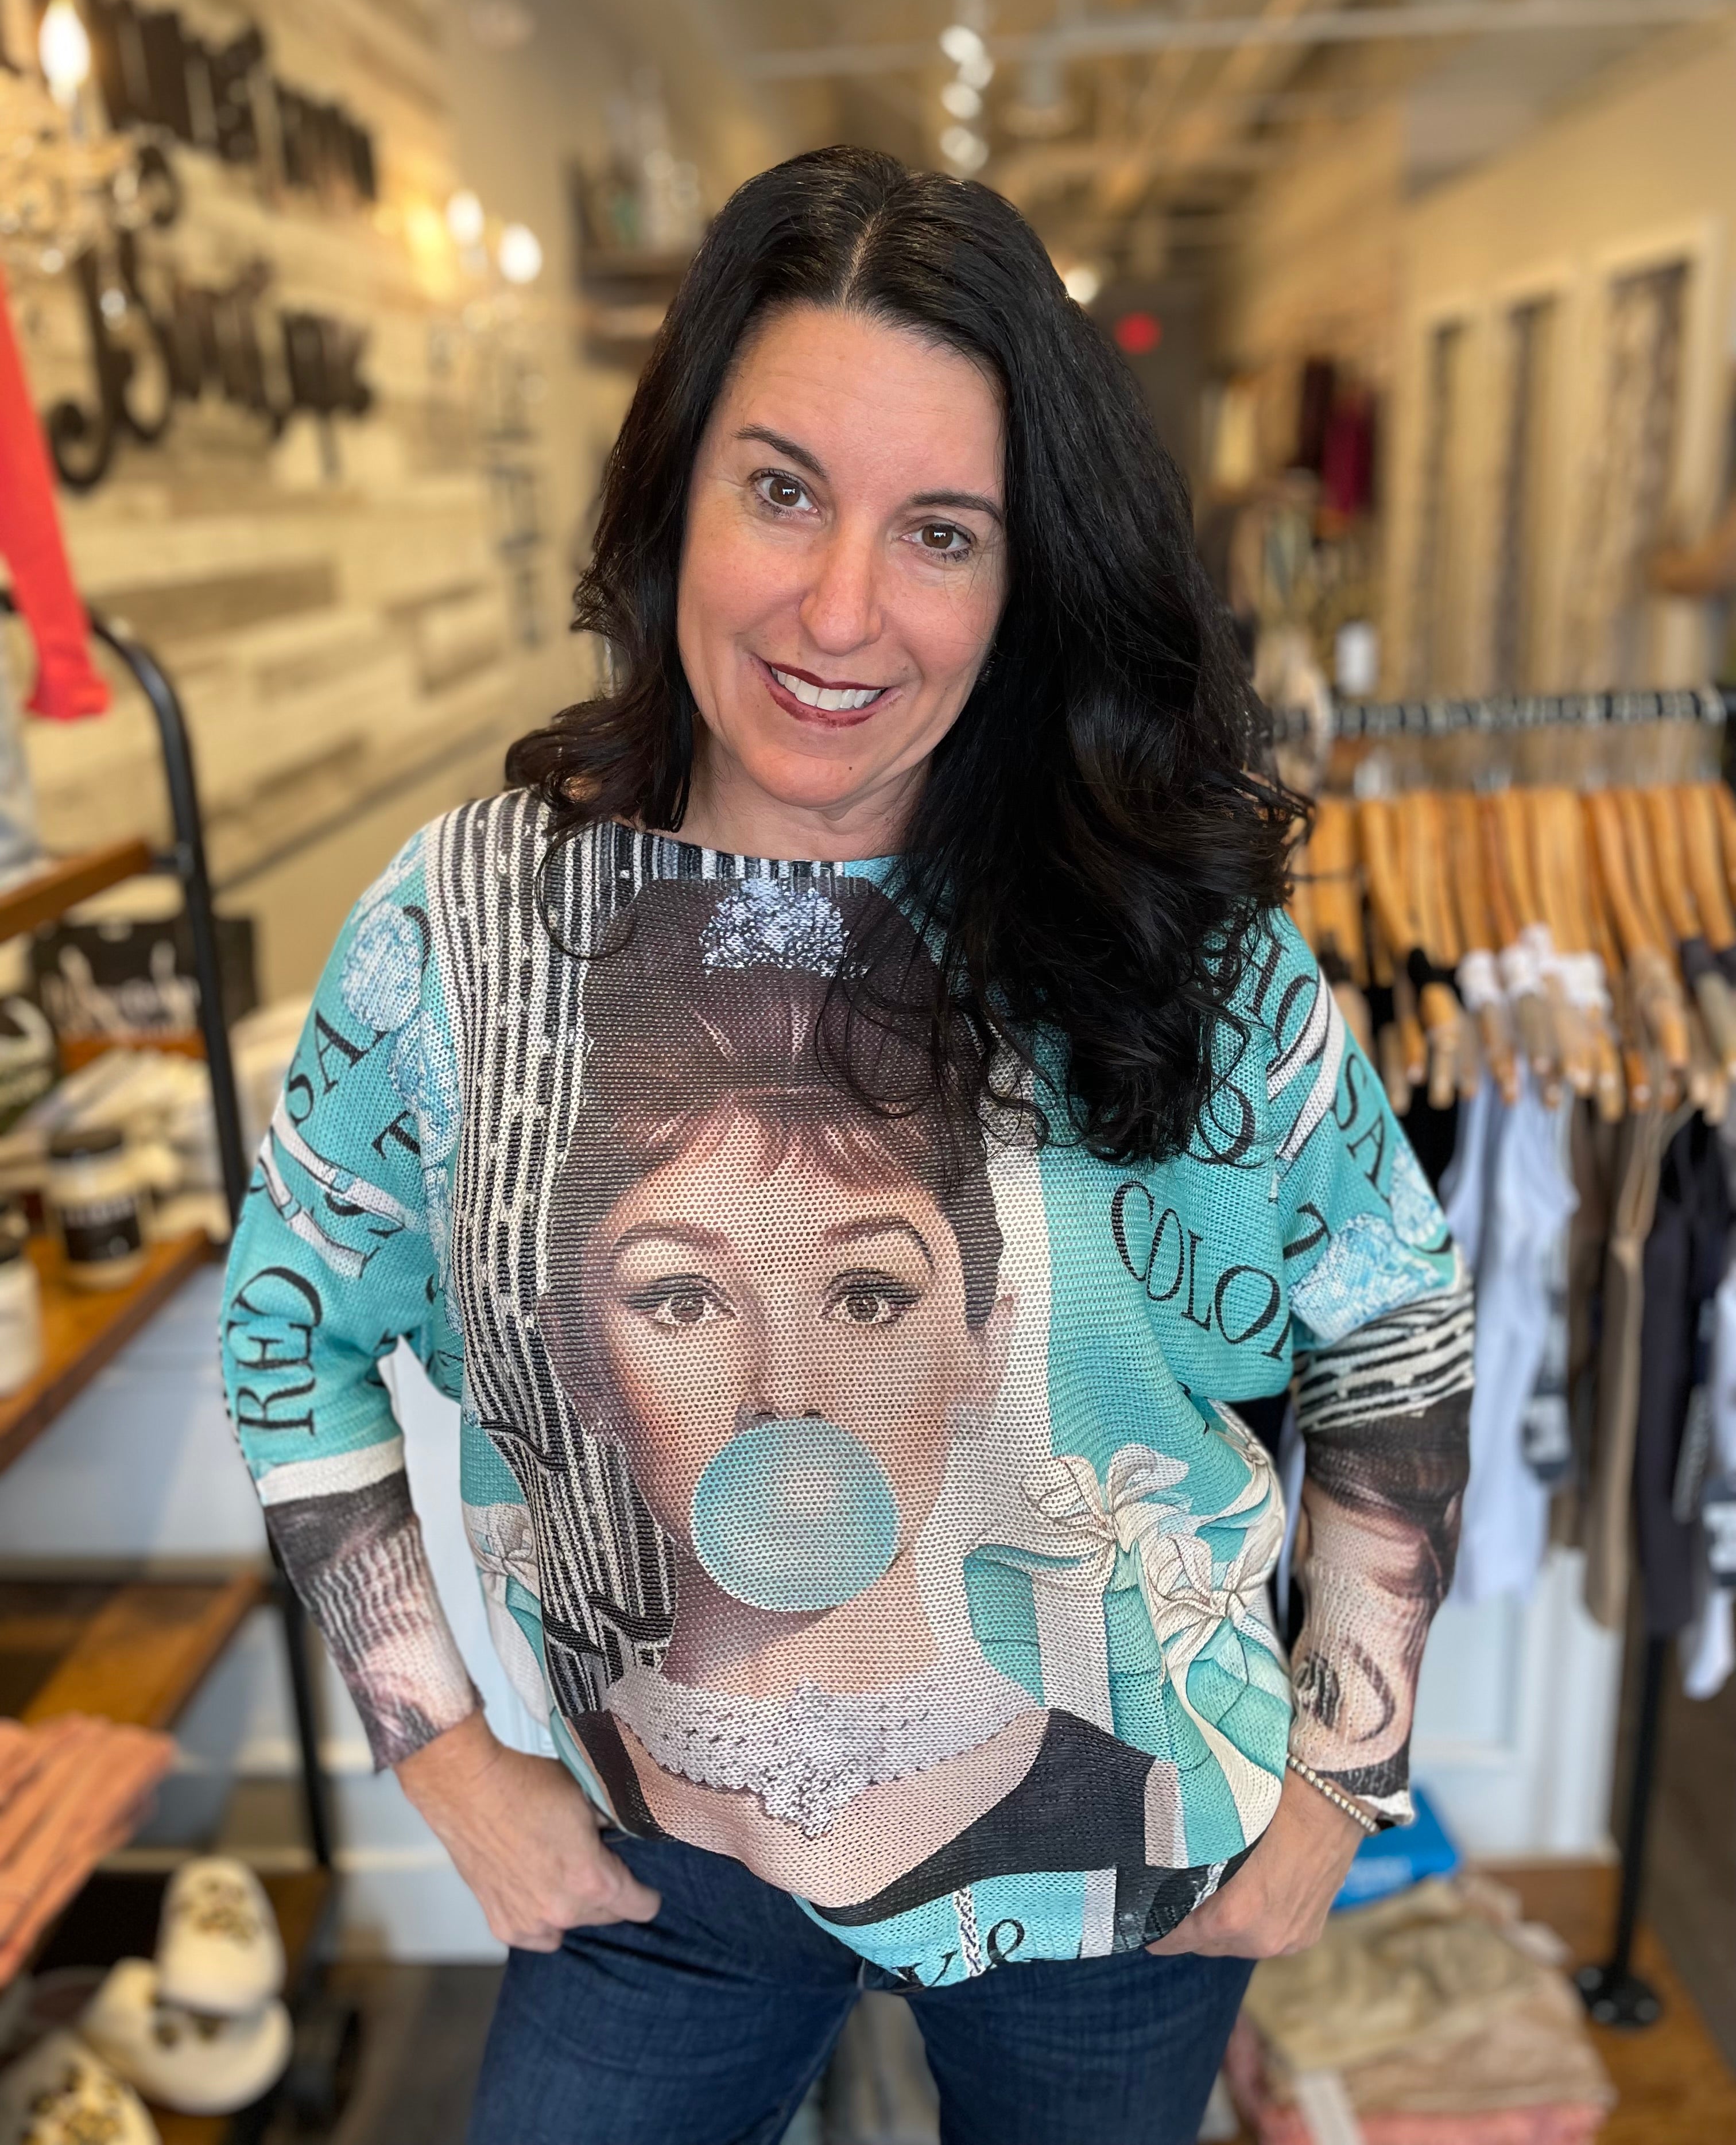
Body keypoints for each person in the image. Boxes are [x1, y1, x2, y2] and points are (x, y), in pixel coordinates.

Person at [220, 147, 1474, 2145]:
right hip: (664, 1867)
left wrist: (1344, 1777)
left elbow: (1394, 1325)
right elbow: (287, 1323)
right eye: (785, 490)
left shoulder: (1174, 936)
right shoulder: (474, 933)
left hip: (1125, 1867)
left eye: (941, 532)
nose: (840, 609)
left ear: (1026, 575)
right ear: (676, 494)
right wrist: (439, 1753)